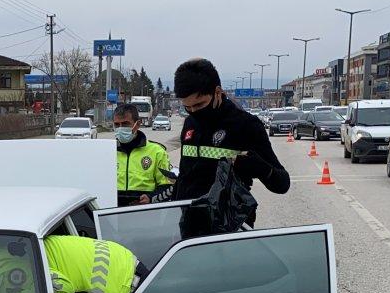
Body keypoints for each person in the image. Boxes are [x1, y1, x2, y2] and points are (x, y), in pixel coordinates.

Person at [148, 58, 290, 222]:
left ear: (217, 92)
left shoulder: (246, 125)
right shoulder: (189, 123)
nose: (194, 112)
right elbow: (186, 175)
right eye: (188, 107)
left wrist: (262, 168)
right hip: (188, 221)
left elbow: (282, 184)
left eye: (200, 105)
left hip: (228, 225)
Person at [114, 103, 172, 206]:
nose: (120, 128)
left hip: (145, 211)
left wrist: (151, 198)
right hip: (111, 211)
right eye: (117, 125)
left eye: (126, 124)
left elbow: (167, 186)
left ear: (138, 124)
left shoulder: (157, 152)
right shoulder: (108, 152)